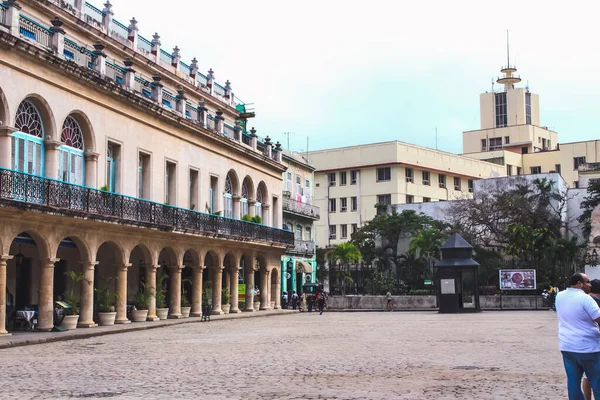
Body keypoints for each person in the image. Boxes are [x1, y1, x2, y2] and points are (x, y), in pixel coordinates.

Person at [556, 272, 600, 400]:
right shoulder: (585, 298)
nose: (590, 285)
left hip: (567, 346)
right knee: (597, 381)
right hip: (588, 347)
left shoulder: (559, 296)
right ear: (579, 283)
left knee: (573, 381)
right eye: (587, 282)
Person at [582, 279, 600, 400]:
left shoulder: (582, 299)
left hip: (584, 341)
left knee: (586, 375)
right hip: (596, 340)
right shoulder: (596, 301)